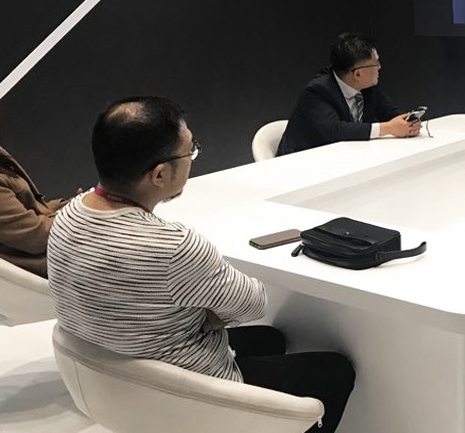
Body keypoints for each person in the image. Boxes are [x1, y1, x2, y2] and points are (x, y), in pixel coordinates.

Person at [47, 97, 354, 431]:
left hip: (116, 378)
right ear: (159, 174)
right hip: (189, 393)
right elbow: (254, 304)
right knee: (337, 371)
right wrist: (205, 314)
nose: (193, 160)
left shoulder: (68, 216)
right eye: (190, 152)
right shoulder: (174, 248)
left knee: (271, 339)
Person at [277, 33, 420, 155]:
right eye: (375, 64)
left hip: (344, 157)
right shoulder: (317, 92)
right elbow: (335, 130)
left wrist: (408, 122)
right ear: (358, 73)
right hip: (300, 163)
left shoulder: (368, 87)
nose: (379, 68)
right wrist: (388, 128)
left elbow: (390, 113)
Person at [0, 96, 71, 277]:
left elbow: (31, 212)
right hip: (53, 264)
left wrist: (71, 205)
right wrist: (81, 214)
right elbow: (35, 236)